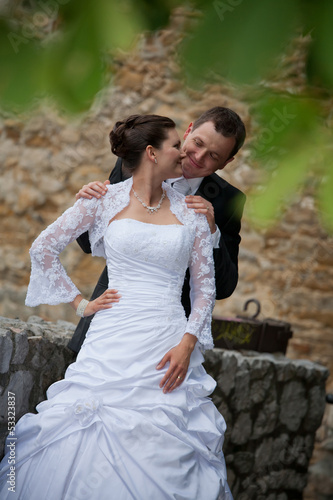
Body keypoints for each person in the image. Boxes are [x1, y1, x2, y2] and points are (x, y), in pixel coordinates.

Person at [0, 114, 233, 499]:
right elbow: (43, 248)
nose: (186, 153)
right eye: (178, 145)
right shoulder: (104, 199)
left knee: (163, 438)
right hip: (110, 336)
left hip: (166, 340)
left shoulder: (193, 211)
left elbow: (206, 289)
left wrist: (188, 342)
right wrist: (80, 303)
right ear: (151, 153)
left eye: (210, 154)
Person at [68, 106, 246, 354]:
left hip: (169, 341)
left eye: (214, 156)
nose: (198, 156)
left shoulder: (228, 201)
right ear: (189, 130)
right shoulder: (134, 162)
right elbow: (88, 244)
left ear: (226, 162)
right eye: (197, 143)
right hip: (106, 323)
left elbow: (224, 287)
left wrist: (212, 232)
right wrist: (86, 206)